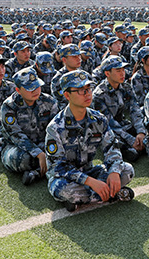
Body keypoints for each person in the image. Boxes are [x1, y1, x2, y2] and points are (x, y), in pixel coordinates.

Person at [46, 69, 135, 211]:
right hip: (67, 178)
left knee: (127, 170)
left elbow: (112, 148)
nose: (87, 94)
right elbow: (57, 167)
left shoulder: (98, 119)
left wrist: (114, 172)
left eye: (88, 89)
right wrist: (91, 182)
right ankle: (111, 194)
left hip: (90, 171)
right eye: (81, 91)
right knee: (62, 189)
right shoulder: (55, 127)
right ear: (67, 95)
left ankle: (83, 199)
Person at [0, 67, 59, 185]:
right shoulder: (9, 106)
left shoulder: (49, 101)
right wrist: (38, 153)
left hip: (44, 144)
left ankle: (36, 173)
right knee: (22, 159)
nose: (35, 90)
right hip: (18, 147)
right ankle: (50, 168)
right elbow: (16, 135)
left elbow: (56, 130)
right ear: (18, 90)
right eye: (29, 88)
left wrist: (49, 150)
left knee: (66, 151)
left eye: (37, 86)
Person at [92, 56, 146, 162]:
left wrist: (141, 132)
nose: (122, 73)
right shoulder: (99, 95)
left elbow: (135, 110)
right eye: (118, 70)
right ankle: (126, 149)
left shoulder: (126, 87)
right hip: (106, 128)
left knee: (147, 126)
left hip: (122, 124)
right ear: (107, 73)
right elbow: (109, 123)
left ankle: (138, 145)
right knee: (110, 138)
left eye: (123, 70)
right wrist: (131, 140)